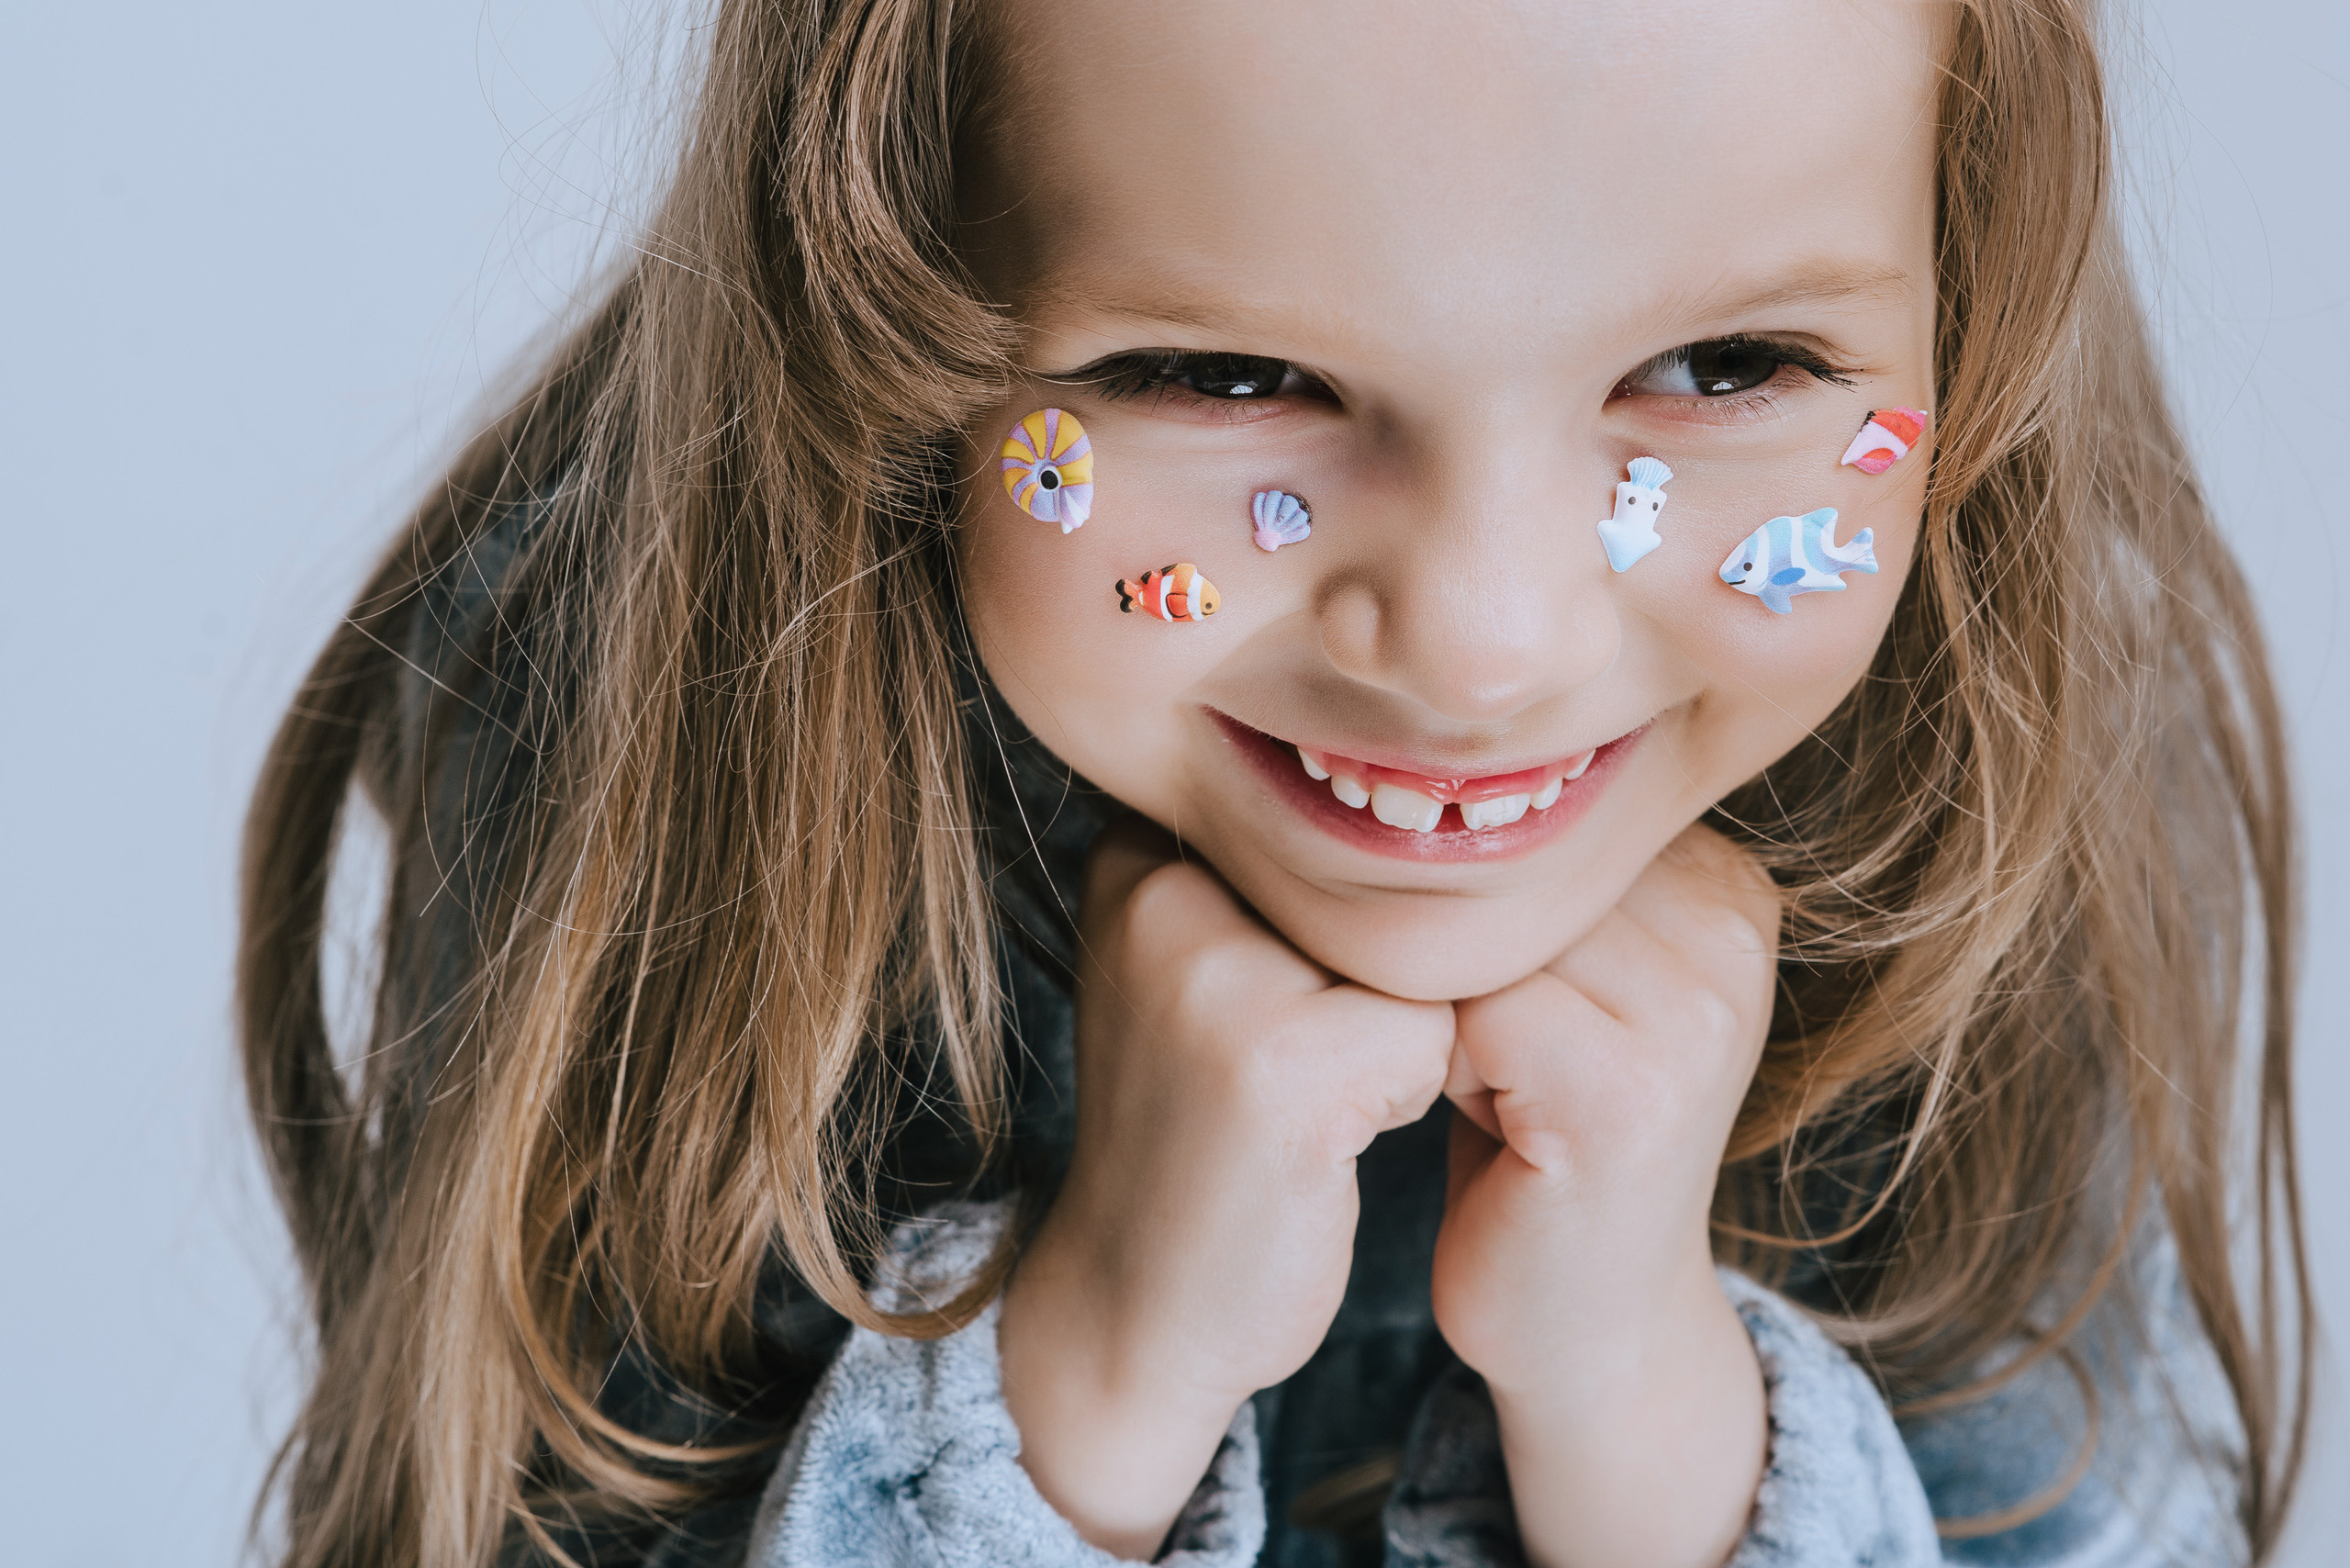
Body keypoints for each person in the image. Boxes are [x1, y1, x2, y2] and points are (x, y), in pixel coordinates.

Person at [237, 1, 2312, 1563]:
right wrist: (1082, 1382)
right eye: (1224, 377)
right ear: (878, 296)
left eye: (1724, 369)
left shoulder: (2016, 769)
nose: (1488, 642)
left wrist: (1648, 1415)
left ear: (1970, 309)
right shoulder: (631, 722)